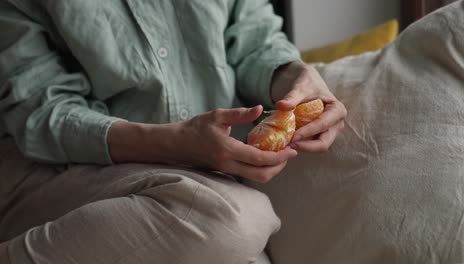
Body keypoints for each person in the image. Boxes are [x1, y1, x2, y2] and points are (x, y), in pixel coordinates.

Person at [0, 0, 346, 263]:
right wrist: (177, 143)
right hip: (61, 168)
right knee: (238, 220)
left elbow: (257, 43)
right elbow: (41, 114)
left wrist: (299, 82)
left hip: (203, 179)